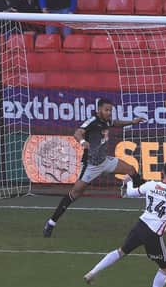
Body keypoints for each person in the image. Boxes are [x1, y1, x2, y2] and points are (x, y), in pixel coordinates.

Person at [83, 160, 166, 287]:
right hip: (154, 234)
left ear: (162, 172)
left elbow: (130, 193)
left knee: (121, 251)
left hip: (140, 225)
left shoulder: (151, 185)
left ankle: (93, 272)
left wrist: (129, 181)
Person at [43, 98, 145, 237]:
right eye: (106, 110)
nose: (109, 112)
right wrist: (83, 141)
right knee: (74, 194)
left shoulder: (106, 120)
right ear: (99, 110)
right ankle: (51, 223)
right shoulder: (92, 121)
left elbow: (115, 123)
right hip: (91, 165)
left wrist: (132, 122)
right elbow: (77, 133)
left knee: (131, 169)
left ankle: (144, 194)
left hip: (105, 161)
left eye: (110, 110)